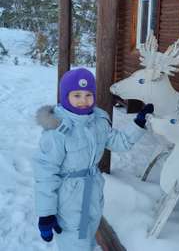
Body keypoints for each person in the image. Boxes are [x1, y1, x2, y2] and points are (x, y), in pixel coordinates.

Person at [32, 68, 154, 251]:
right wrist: (46, 214)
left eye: (89, 95)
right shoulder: (57, 131)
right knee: (75, 242)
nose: (84, 100)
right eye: (77, 95)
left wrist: (138, 123)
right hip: (68, 199)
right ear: (66, 96)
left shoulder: (97, 122)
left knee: (88, 233)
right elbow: (45, 174)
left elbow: (121, 143)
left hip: (92, 191)